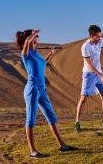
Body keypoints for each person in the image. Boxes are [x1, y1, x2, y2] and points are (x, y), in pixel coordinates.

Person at [16, 29, 77, 158]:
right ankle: (33, 151)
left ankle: (63, 146)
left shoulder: (36, 52)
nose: (38, 38)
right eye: (36, 36)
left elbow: (41, 64)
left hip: (41, 88)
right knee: (31, 119)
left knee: (51, 116)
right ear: (31, 38)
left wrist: (50, 54)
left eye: (37, 36)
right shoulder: (25, 53)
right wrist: (33, 33)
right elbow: (27, 41)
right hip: (32, 89)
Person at [74, 25, 103, 132]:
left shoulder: (100, 41)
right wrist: (100, 76)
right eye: (97, 36)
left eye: (100, 36)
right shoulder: (85, 47)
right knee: (84, 98)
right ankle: (77, 123)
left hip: (99, 73)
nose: (99, 38)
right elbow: (90, 65)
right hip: (89, 74)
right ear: (91, 35)